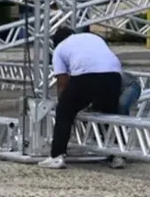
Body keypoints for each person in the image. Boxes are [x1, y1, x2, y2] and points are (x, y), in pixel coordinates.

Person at [38, 27, 127, 170]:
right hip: (114, 74)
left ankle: (57, 156)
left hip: (86, 75)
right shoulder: (92, 37)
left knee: (64, 112)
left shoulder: (59, 49)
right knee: (110, 113)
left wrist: (64, 103)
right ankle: (117, 155)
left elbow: (62, 83)